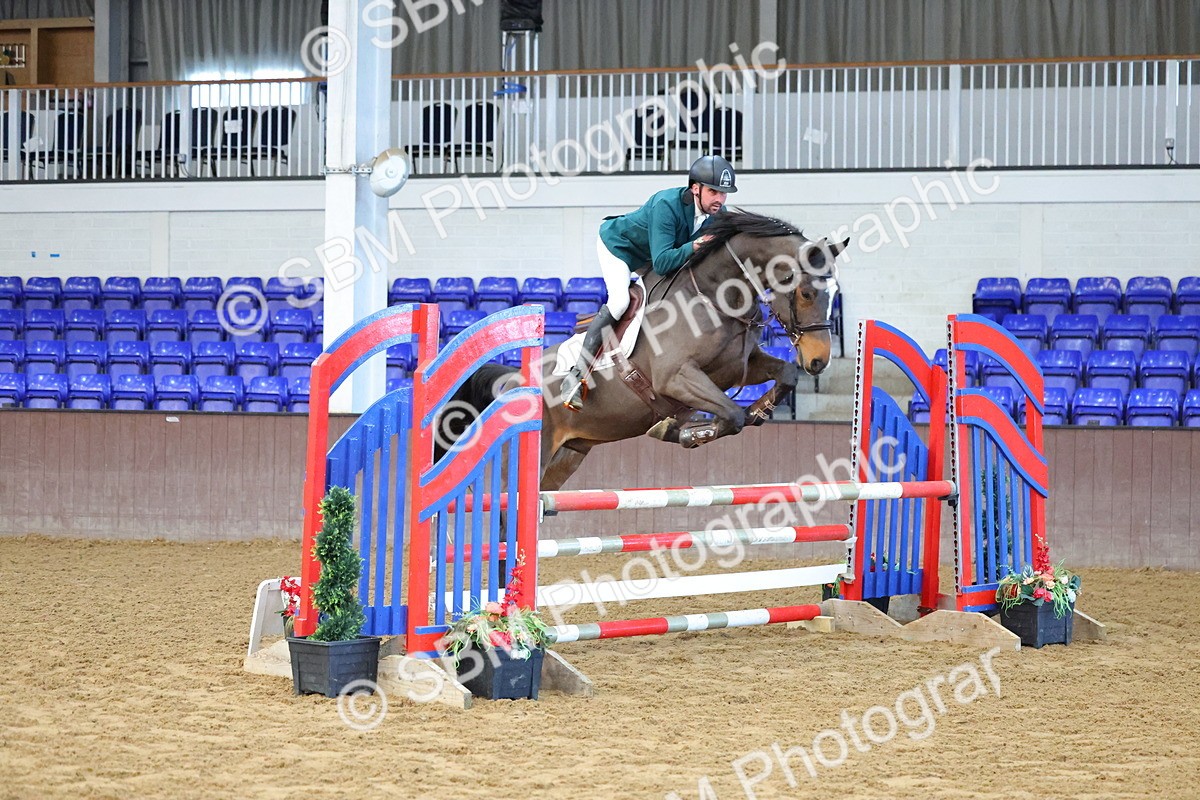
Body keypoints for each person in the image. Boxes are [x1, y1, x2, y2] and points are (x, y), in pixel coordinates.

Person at [559, 154, 738, 411]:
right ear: (695, 188)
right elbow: (664, 263)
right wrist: (697, 244)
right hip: (620, 247)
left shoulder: (718, 214)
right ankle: (576, 375)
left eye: (724, 193)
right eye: (713, 192)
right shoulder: (666, 204)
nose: (719, 200)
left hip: (652, 254)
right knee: (620, 302)